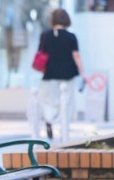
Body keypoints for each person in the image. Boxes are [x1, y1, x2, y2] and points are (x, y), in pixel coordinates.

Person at [37, 8, 86, 139]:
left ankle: (49, 120)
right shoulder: (71, 37)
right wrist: (83, 73)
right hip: (67, 75)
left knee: (49, 101)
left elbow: (41, 53)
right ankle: (64, 128)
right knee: (66, 102)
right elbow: (76, 56)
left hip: (49, 75)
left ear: (52, 20)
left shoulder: (45, 35)